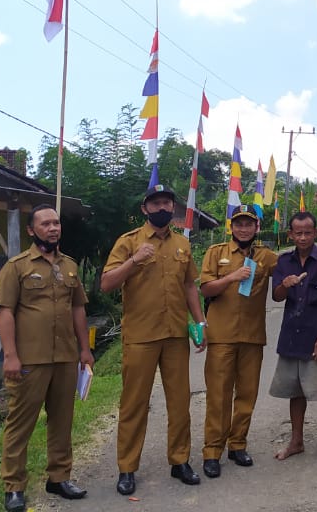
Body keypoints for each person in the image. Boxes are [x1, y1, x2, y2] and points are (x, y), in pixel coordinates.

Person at [102, 184, 208, 494]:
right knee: (134, 404)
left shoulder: (182, 244)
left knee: (179, 403)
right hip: (141, 336)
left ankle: (180, 461)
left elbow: (190, 286)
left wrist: (200, 322)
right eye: (156, 203)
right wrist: (134, 260)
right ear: (145, 209)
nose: (162, 207)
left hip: (175, 333)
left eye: (167, 203)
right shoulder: (129, 242)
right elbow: (107, 283)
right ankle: (127, 468)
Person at [0, 204, 93, 512]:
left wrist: (85, 349)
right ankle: (14, 487)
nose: (53, 228)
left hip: (65, 357)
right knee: (20, 424)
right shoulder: (17, 266)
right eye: (46, 224)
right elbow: (5, 311)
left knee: (62, 421)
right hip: (29, 360)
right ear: (31, 230)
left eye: (56, 223)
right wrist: (10, 356)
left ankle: (59, 477)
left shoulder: (70, 266)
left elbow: (78, 308)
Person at [198, 206, 278, 478]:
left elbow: (289, 269)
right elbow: (205, 288)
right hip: (221, 336)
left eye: (249, 224)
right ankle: (212, 451)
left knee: (247, 394)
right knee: (218, 396)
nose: (244, 229)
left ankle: (238, 444)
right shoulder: (216, 253)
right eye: (239, 224)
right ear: (231, 226)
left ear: (256, 228)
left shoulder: (266, 256)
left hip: (252, 337)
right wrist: (231, 277)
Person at [269, 211, 317, 469]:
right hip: (292, 337)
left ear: (316, 233)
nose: (303, 237)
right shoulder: (284, 262)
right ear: (290, 234)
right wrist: (285, 284)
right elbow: (277, 297)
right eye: (298, 233)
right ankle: (296, 441)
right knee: (296, 392)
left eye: (308, 232)